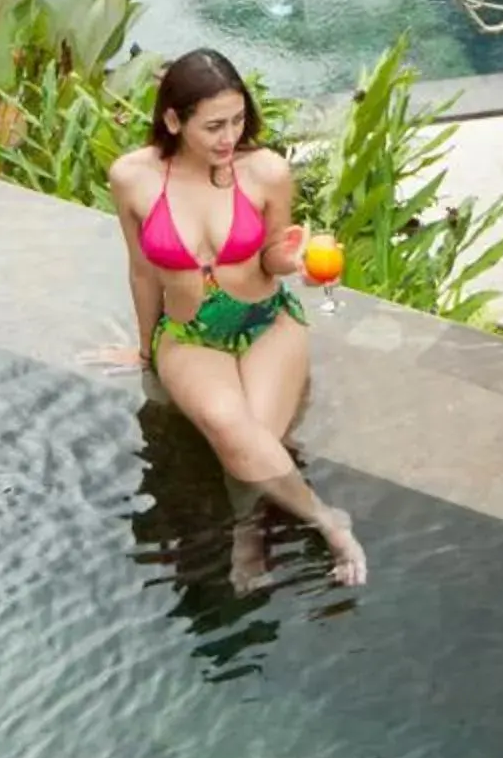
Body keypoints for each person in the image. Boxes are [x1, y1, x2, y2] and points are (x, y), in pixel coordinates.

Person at [109, 48, 367, 586]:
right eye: (213, 127)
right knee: (232, 428)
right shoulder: (133, 178)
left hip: (265, 323)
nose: (228, 139)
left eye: (237, 121)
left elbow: (271, 256)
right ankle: (328, 520)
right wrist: (143, 348)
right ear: (174, 120)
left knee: (253, 439)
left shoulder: (265, 172)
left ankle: (248, 529)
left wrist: (293, 260)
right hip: (191, 335)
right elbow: (141, 270)